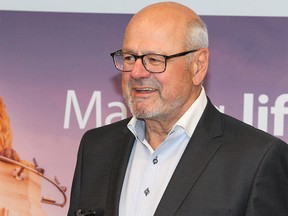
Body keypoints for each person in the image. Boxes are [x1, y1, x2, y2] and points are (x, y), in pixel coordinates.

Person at [68, 2, 288, 216]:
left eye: (154, 59)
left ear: (198, 65)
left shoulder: (258, 159)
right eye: (129, 57)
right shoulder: (96, 148)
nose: (136, 73)